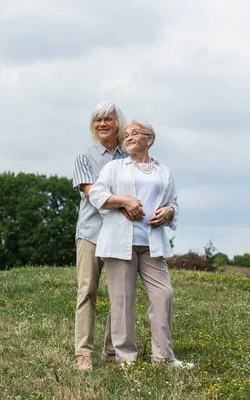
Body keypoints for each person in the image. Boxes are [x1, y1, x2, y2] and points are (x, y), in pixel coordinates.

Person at [88, 120, 195, 369]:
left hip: (151, 242)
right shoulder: (115, 168)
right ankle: (126, 358)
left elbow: (173, 203)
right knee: (122, 300)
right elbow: (96, 194)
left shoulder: (163, 172)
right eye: (125, 135)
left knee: (163, 295)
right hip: (119, 242)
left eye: (135, 133)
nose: (128, 137)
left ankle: (164, 357)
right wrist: (124, 201)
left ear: (150, 139)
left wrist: (169, 211)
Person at [72, 102, 129, 372]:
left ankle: (110, 351)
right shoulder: (85, 157)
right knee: (87, 292)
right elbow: (92, 196)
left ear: (118, 123)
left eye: (108, 118)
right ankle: (83, 354)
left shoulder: (128, 156)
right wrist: (127, 202)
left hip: (119, 234)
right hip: (91, 233)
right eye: (98, 120)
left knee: (119, 294)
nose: (103, 124)